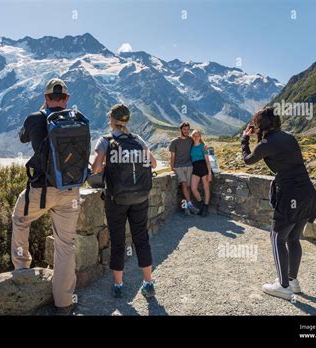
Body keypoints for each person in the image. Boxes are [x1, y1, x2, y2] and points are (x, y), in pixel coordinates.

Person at [11, 78, 80, 315]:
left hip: (41, 190)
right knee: (65, 245)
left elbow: (22, 137)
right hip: (70, 191)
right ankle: (64, 302)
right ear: (67, 99)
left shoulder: (35, 118)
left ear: (46, 97)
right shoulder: (77, 120)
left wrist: (41, 113)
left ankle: (22, 270)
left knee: (20, 219)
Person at [241, 107, 316, 300]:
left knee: (277, 238)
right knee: (293, 238)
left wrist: (245, 139)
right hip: (307, 194)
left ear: (260, 124)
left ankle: (283, 286)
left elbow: (247, 160)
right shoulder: (289, 137)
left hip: (289, 195)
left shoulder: (266, 143)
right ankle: (293, 281)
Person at [92, 103, 157, 299]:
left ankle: (119, 285)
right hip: (140, 197)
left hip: (117, 199)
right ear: (127, 120)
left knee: (118, 241)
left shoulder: (105, 141)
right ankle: (148, 282)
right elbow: (153, 163)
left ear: (112, 120)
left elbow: (95, 168)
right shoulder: (137, 139)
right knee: (141, 239)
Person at [169, 122, 200, 215]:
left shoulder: (190, 140)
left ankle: (186, 208)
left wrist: (205, 149)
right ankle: (190, 206)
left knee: (189, 186)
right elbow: (172, 156)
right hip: (179, 166)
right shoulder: (174, 142)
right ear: (181, 130)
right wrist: (172, 167)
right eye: (184, 129)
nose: (186, 131)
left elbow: (199, 143)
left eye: (188, 130)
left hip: (189, 165)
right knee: (184, 184)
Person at [189, 129, 212, 217]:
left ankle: (205, 207)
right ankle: (201, 204)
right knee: (193, 188)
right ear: (192, 136)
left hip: (203, 168)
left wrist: (209, 172)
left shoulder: (203, 146)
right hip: (195, 169)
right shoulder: (191, 146)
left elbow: (207, 160)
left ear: (200, 136)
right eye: (194, 135)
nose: (196, 137)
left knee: (206, 187)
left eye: (197, 135)